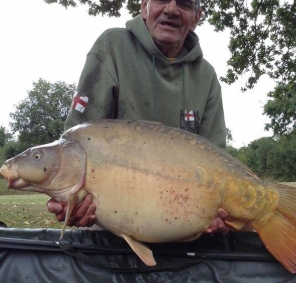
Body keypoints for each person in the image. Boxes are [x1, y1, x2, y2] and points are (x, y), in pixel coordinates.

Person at [47, 0, 232, 234]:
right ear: (144, 6)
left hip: (181, 226)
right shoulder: (112, 46)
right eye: (162, 0)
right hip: (109, 228)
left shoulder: (207, 76)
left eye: (184, 3)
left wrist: (218, 214)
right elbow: (76, 143)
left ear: (197, 17)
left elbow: (217, 159)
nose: (172, 9)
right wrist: (72, 203)